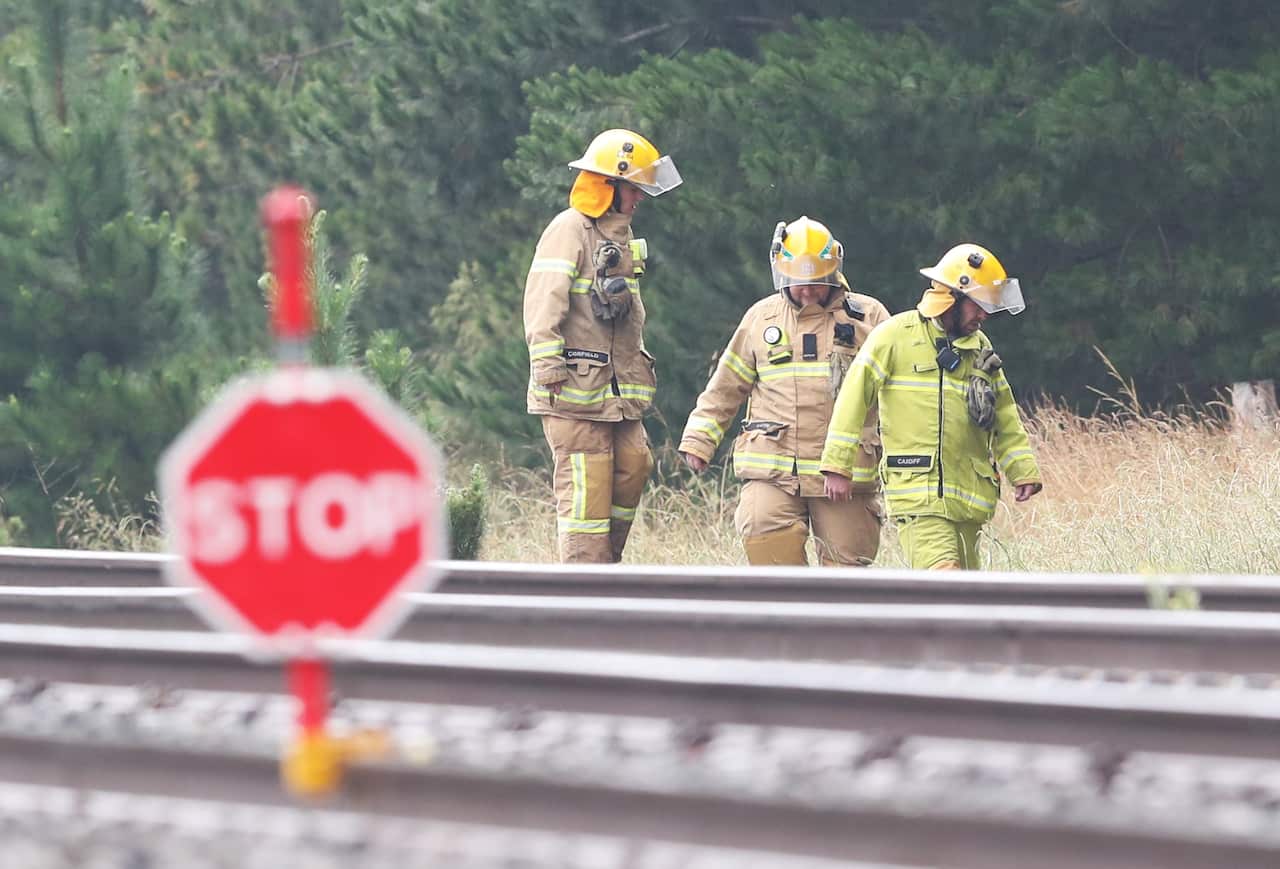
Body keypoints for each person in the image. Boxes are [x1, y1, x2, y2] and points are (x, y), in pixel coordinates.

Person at [678, 216, 891, 566]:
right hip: (774, 469)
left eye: (816, 283)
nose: (807, 292)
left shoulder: (869, 318)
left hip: (845, 474)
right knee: (764, 536)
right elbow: (726, 386)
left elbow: (898, 393)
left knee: (848, 574)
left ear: (834, 273)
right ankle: (788, 604)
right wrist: (699, 440)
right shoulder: (761, 318)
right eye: (797, 283)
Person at [819, 243, 1042, 570]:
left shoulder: (980, 347)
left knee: (965, 596)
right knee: (946, 582)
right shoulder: (894, 336)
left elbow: (1004, 414)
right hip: (917, 497)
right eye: (979, 305)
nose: (984, 316)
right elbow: (853, 398)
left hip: (968, 502)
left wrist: (1022, 471)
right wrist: (837, 466)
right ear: (952, 297)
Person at [523, 129, 682, 563]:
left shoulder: (619, 238)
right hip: (574, 394)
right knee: (587, 494)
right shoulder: (569, 230)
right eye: (634, 188)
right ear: (607, 186)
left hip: (618, 398)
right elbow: (542, 303)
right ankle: (584, 579)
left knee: (635, 463)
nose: (640, 198)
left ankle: (604, 568)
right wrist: (548, 368)